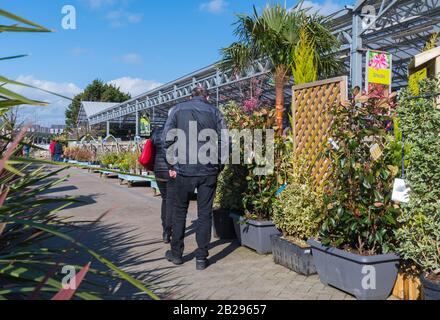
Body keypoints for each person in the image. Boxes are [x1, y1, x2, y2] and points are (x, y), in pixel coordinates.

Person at [162, 86, 228, 271]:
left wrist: (171, 165)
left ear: (190, 96)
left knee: (179, 211)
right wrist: (219, 166)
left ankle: (176, 254)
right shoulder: (215, 111)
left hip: (183, 169)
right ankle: (201, 258)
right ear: (206, 96)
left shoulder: (177, 109)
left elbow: (166, 138)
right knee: (204, 213)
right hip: (208, 170)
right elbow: (225, 140)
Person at [151, 125, 173, 244]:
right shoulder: (175, 131)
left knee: (165, 199)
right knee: (170, 200)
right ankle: (168, 230)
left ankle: (165, 229)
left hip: (158, 170)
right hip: (170, 171)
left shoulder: (156, 132)